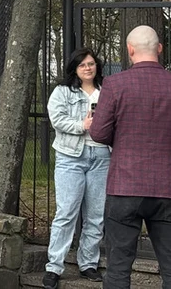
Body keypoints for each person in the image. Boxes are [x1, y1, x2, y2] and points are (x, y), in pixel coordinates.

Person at [90, 25, 171, 289]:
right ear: (160, 49)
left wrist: (121, 140)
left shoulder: (115, 84)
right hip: (170, 187)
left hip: (125, 185)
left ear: (130, 50)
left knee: (118, 267)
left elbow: (98, 132)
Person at [42, 50, 109, 288]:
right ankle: (54, 267)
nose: (88, 68)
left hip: (102, 156)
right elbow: (56, 119)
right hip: (71, 157)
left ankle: (88, 263)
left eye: (91, 64)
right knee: (66, 212)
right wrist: (82, 125)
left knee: (95, 214)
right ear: (75, 68)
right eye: (82, 65)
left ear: (97, 66)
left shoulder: (107, 91)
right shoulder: (62, 92)